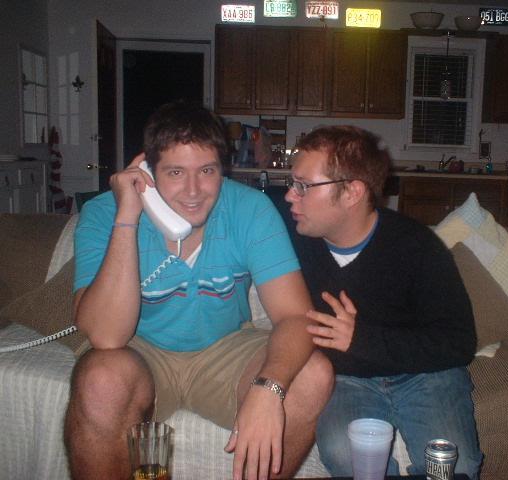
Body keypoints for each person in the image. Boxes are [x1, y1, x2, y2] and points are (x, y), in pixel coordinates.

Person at [64, 101, 333, 480]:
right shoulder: (103, 213)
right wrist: (128, 217)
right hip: (140, 350)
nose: (194, 191)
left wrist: (269, 388)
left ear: (222, 168)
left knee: (313, 374)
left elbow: (294, 316)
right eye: (175, 172)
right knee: (100, 380)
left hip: (225, 347)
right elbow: (107, 337)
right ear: (147, 171)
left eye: (207, 171)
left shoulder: (251, 209)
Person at [284, 126, 483, 478]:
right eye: (292, 182)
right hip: (347, 380)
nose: (289, 195)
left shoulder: (417, 246)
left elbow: (459, 342)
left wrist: (361, 339)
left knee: (455, 466)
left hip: (426, 375)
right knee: (345, 456)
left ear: (352, 192)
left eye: (303, 185)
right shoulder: (294, 242)